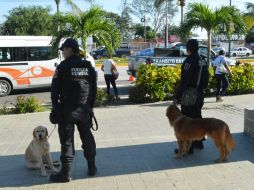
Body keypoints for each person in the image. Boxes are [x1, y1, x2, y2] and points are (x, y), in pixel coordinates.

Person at [49, 38, 97, 182]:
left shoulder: (62, 67)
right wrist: (90, 107)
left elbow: (54, 91)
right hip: (84, 110)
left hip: (67, 112)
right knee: (87, 138)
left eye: (63, 49)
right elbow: (93, 90)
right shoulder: (88, 66)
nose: (63, 52)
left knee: (67, 142)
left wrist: (55, 108)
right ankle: (92, 168)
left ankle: (65, 174)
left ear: (69, 49)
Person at [173, 39, 208, 154]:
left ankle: (188, 148)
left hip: (189, 95)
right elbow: (206, 79)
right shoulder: (203, 60)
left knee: (187, 122)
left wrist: (177, 96)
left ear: (188, 48)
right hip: (200, 94)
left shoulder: (189, 61)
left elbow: (184, 82)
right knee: (197, 118)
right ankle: (199, 142)